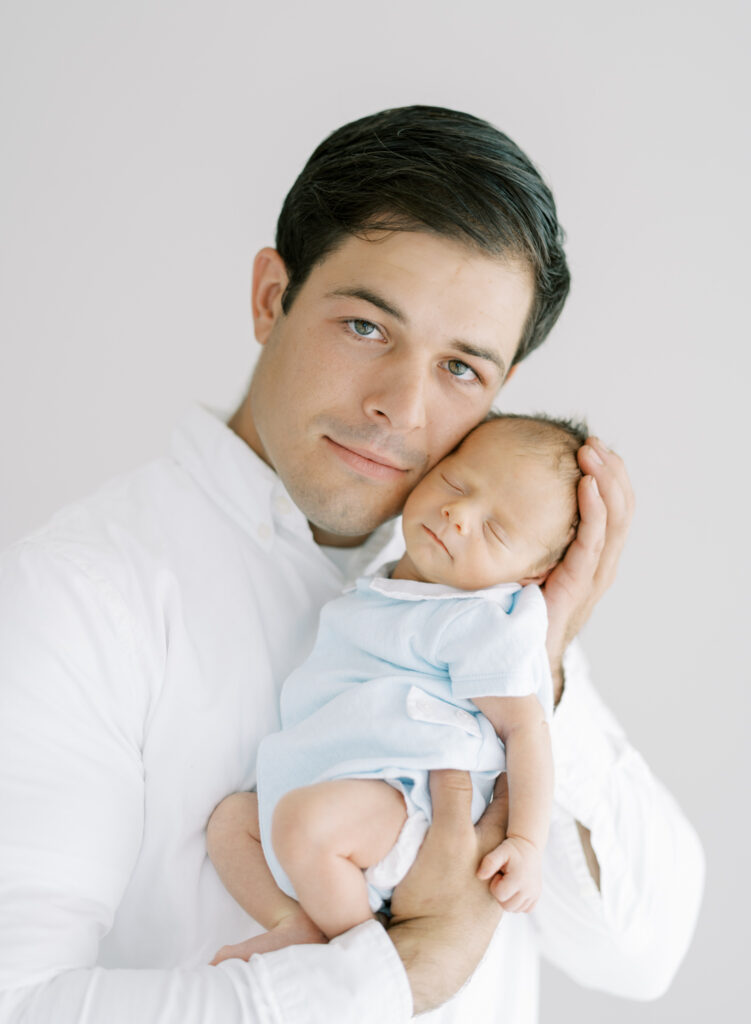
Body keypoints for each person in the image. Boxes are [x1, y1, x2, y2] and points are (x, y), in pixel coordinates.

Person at [0, 106, 704, 1023]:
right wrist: (401, 975)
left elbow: (639, 955)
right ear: (270, 298)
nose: (401, 408)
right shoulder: (78, 598)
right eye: (368, 327)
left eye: (460, 368)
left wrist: (552, 661)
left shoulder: (478, 597)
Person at [207, 412, 584, 963]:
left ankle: (361, 961)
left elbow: (525, 728)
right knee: (232, 825)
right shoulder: (384, 585)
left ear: (527, 577)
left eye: (496, 530)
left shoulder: (477, 619)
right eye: (457, 483)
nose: (459, 515)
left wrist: (526, 842)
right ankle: (297, 922)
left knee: (303, 827)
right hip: (339, 787)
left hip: (408, 804)